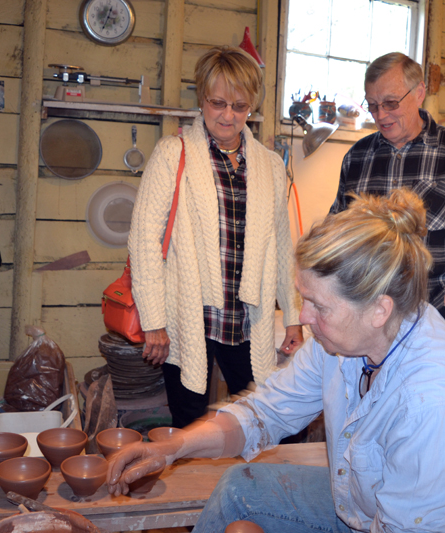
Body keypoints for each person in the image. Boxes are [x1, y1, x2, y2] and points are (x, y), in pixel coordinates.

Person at [109, 189, 445, 532]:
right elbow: (265, 411)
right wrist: (172, 447)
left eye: (317, 306)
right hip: (367, 508)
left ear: (379, 309)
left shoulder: (436, 401)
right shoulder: (345, 342)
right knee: (240, 487)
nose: (304, 319)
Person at [128, 46, 303, 428]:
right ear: (202, 98)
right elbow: (143, 241)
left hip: (247, 318)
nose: (228, 115)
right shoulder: (173, 154)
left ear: (252, 105)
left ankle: (248, 487)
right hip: (190, 314)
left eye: (240, 106)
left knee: (262, 415)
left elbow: (282, 245)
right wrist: (153, 320)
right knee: (189, 420)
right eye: (218, 103)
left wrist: (293, 316)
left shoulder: (271, 167)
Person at [330, 52, 445, 341]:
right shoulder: (358, 157)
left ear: (419, 93)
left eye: (391, 103)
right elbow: (338, 233)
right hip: (369, 317)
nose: (380, 115)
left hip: (437, 316)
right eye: (373, 105)